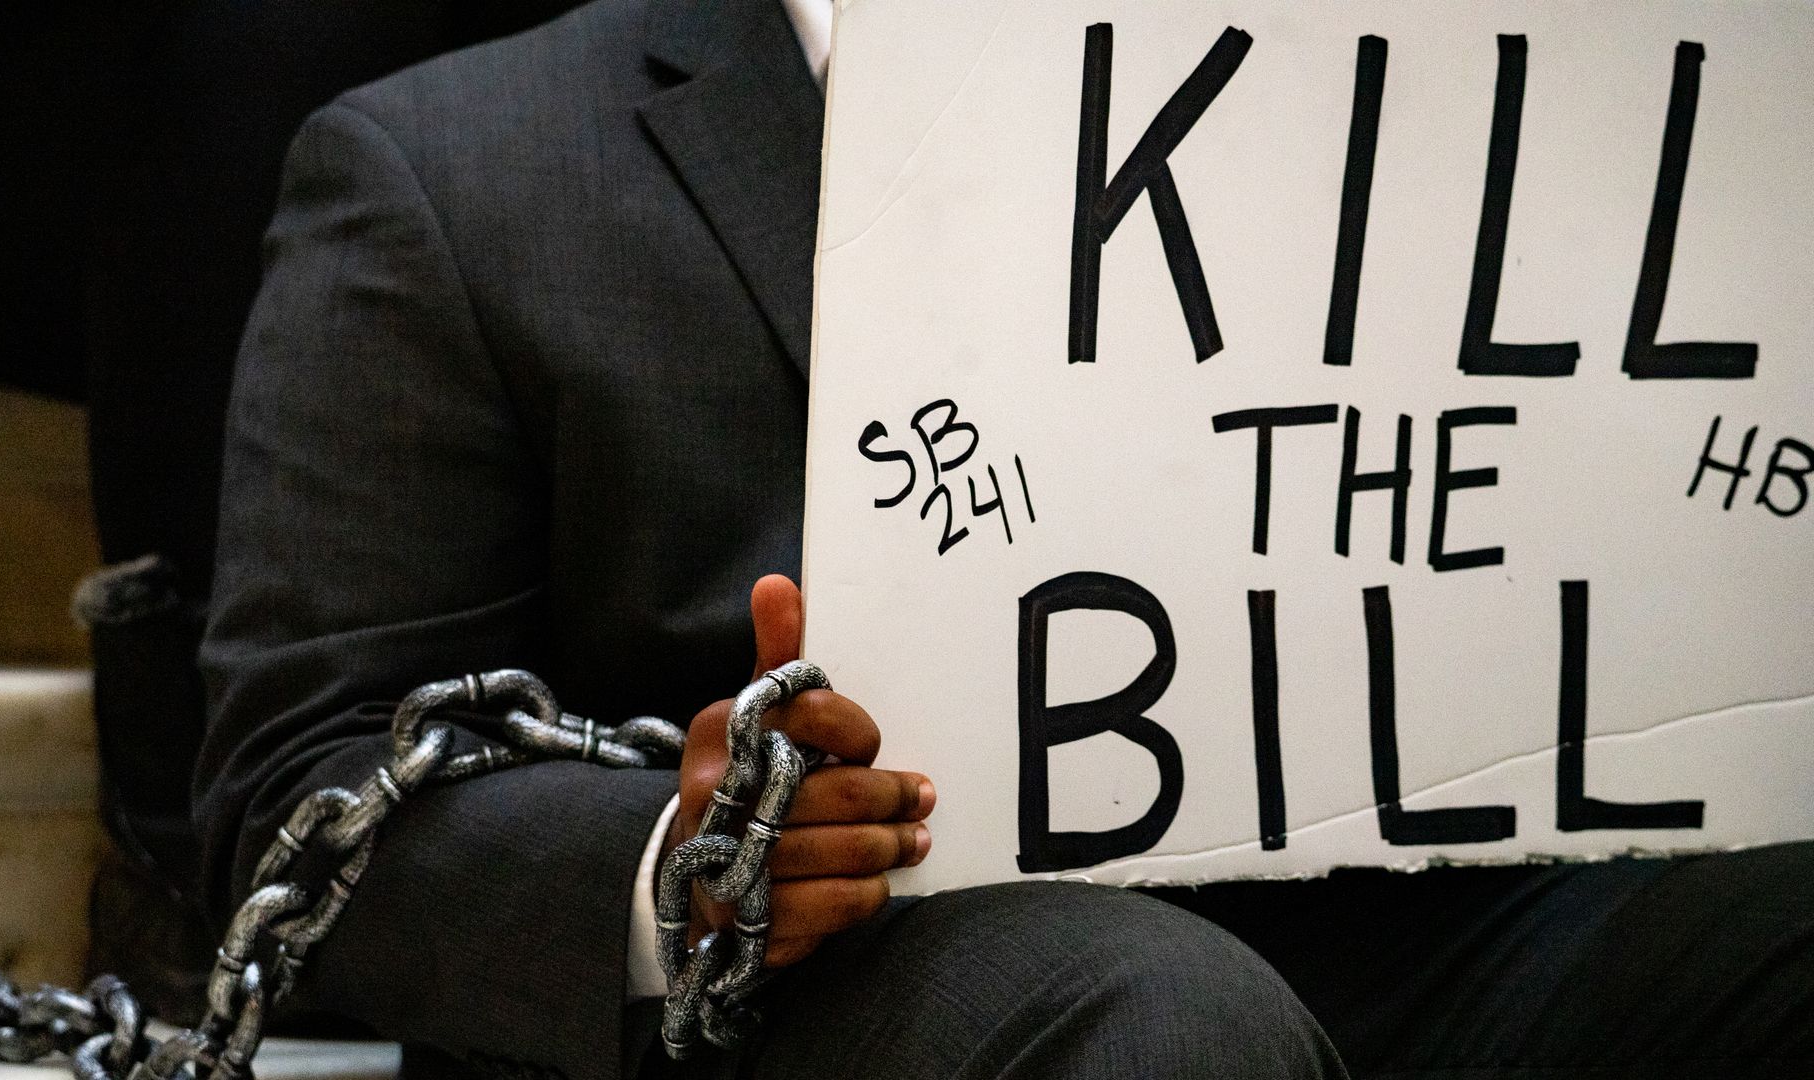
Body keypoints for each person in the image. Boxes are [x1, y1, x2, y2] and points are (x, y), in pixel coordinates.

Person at [197, 1, 1813, 1078]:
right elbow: (300, 782)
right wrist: (660, 865)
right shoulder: (450, 169)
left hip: (1421, 923)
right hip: (855, 993)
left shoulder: (1431, 91)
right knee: (1165, 1023)